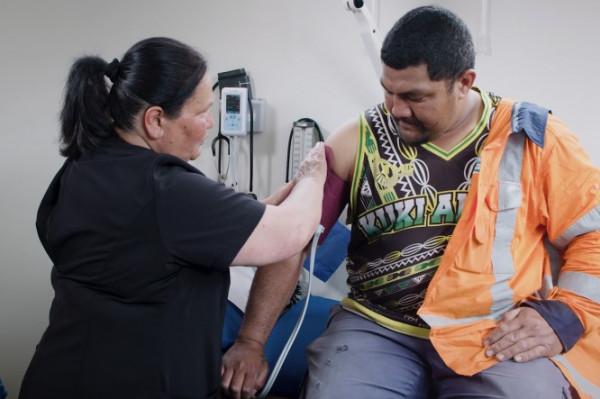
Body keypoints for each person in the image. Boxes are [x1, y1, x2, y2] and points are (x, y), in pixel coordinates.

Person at [220, 6, 600, 399]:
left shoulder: (533, 138)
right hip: (377, 327)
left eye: (415, 97)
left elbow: (593, 235)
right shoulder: (358, 138)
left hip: (491, 331)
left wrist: (565, 315)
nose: (396, 109)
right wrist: (251, 341)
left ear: (464, 82)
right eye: (389, 90)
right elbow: (291, 239)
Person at [19, 37, 327, 399]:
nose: (210, 124)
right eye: (201, 112)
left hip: (60, 375)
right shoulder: (164, 189)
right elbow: (290, 233)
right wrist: (313, 173)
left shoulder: (86, 165)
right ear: (155, 120)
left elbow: (210, 226)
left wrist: (269, 211)